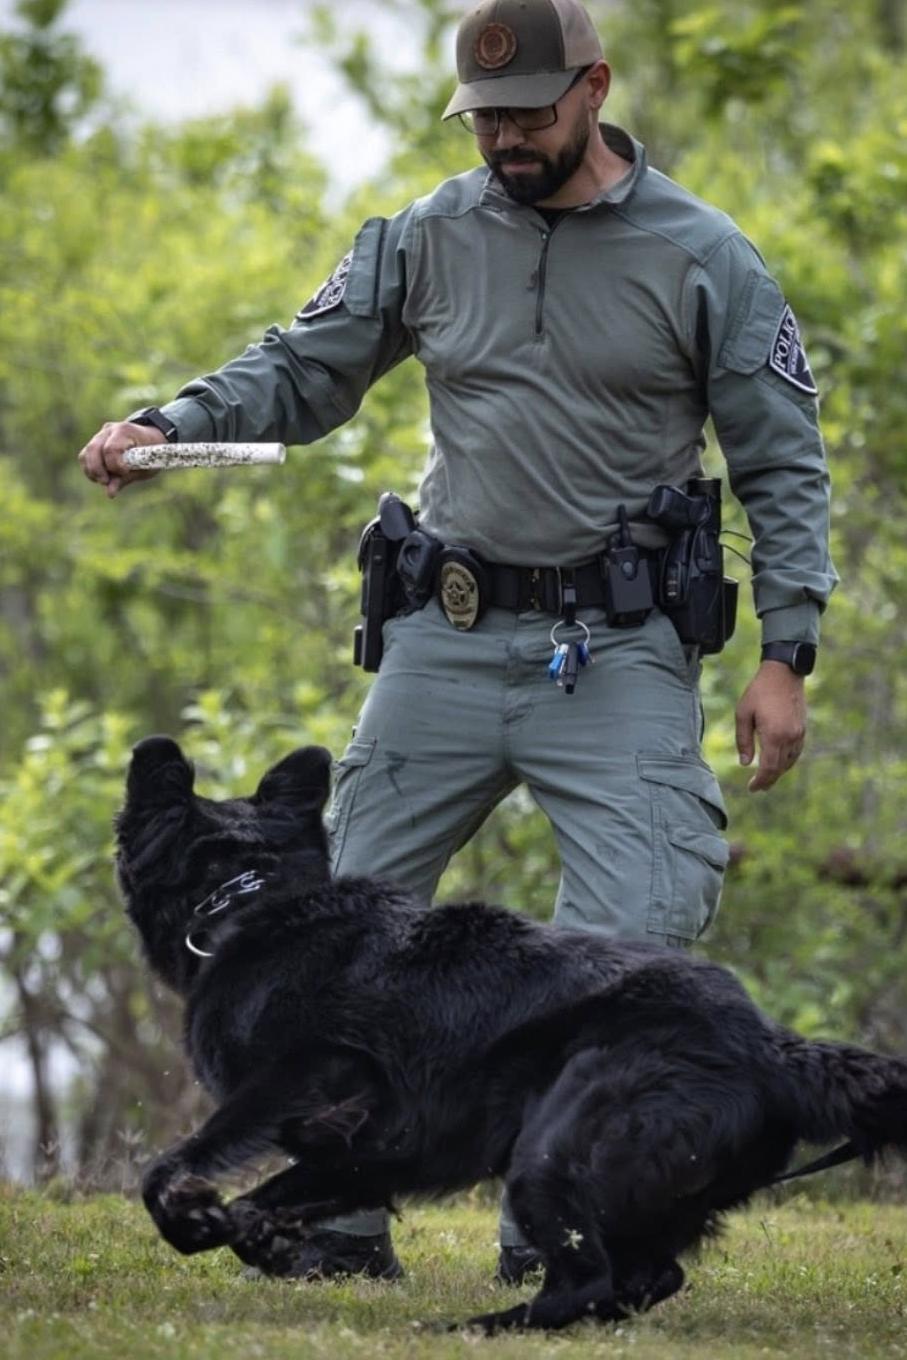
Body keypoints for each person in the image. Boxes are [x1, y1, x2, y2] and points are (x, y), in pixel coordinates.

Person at [79, 0, 835, 1285]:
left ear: (593, 88)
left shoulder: (706, 256)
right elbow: (304, 368)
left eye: (528, 113)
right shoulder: (426, 237)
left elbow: (782, 460)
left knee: (639, 925)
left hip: (615, 649)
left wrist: (786, 650)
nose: (503, 139)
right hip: (444, 634)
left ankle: (558, 1216)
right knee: (321, 937)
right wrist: (174, 419)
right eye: (483, 118)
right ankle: (328, 1225)